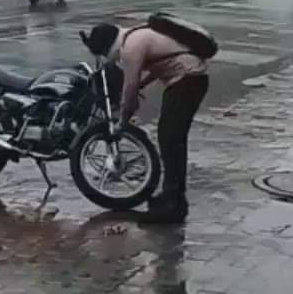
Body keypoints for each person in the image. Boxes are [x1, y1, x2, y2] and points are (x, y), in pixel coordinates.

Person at [84, 21, 209, 224]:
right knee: (171, 138)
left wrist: (122, 122)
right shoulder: (135, 35)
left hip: (187, 80)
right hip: (190, 79)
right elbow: (159, 64)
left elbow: (129, 91)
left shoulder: (129, 50)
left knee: (171, 140)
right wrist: (143, 84)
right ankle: (173, 198)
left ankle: (174, 206)